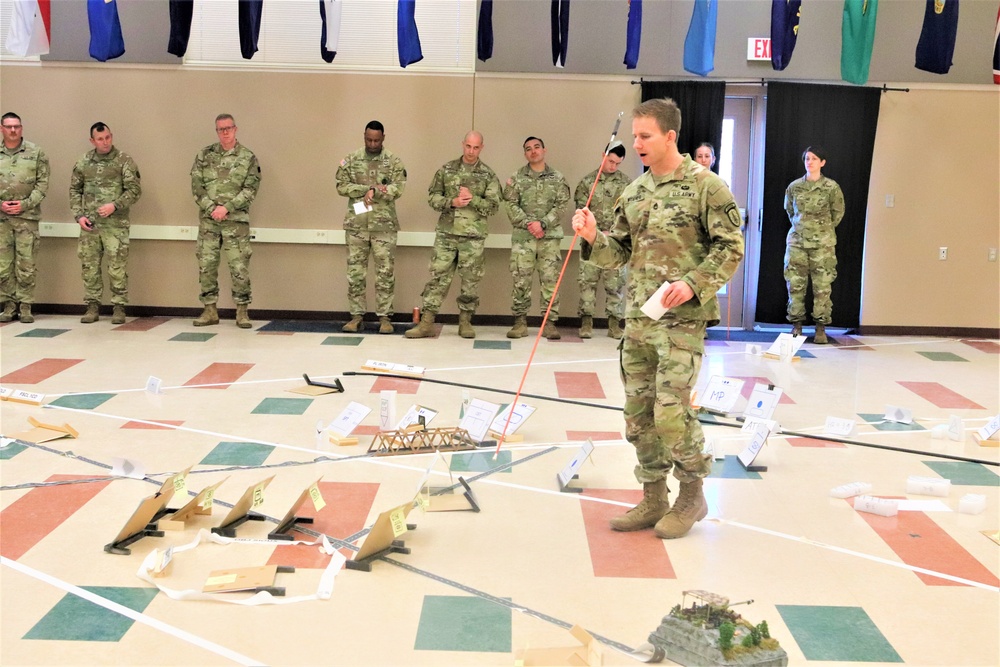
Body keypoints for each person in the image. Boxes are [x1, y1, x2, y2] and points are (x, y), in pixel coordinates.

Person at [571, 98, 744, 539]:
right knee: (638, 415)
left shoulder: (708, 187)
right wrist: (594, 236)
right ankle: (653, 497)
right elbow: (619, 254)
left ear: (670, 136)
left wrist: (694, 282)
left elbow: (731, 247)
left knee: (670, 413)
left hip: (682, 322)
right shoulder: (635, 192)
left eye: (645, 136)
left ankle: (691, 494)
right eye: (633, 136)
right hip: (639, 322)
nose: (637, 144)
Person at [405, 130, 501, 340]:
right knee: (438, 278)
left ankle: (465, 322)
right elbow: (432, 197)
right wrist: (452, 202)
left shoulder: (488, 175)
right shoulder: (446, 170)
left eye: (476, 147)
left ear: (481, 148)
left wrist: (473, 198)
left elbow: (493, 207)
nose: (471, 151)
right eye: (468, 146)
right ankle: (427, 322)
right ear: (462, 144)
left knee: (470, 281)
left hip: (473, 238)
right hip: (447, 235)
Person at [190, 113, 261, 328]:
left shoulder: (248, 158)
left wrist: (227, 208)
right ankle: (210, 310)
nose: (225, 132)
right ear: (217, 131)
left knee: (239, 268)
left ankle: (242, 312)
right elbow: (197, 187)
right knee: (206, 266)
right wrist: (213, 209)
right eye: (221, 129)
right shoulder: (204, 155)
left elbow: (251, 189)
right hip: (209, 223)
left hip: (235, 223)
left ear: (236, 129)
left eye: (228, 128)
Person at [336, 120, 406, 334]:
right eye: (369, 139)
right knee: (355, 273)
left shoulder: (393, 161)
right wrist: (366, 189)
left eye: (376, 140)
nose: (373, 143)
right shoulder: (351, 159)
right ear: (363, 137)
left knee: (385, 273)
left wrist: (377, 192)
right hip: (357, 224)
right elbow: (341, 185)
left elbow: (398, 187)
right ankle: (356, 316)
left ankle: (385, 318)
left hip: (383, 227)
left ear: (383, 137)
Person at [70, 122, 142, 324]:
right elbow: (75, 190)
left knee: (117, 267)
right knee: (89, 267)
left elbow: (134, 191)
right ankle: (92, 307)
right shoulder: (84, 161)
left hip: (115, 225)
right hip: (90, 226)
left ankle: (119, 307)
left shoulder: (123, 160)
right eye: (100, 139)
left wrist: (115, 205)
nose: (105, 142)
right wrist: (78, 216)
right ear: (92, 140)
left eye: (108, 137)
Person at [502, 136, 571, 340]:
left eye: (537, 147)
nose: (533, 151)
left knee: (550, 281)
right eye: (528, 149)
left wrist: (543, 224)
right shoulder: (516, 178)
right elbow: (510, 204)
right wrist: (529, 224)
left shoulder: (558, 178)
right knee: (521, 280)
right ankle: (520, 322)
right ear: (525, 154)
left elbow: (561, 206)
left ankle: (549, 323)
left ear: (544, 150)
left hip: (549, 239)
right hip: (523, 238)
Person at [783, 145, 844, 344]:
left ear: (822, 162)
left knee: (822, 286)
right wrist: (804, 228)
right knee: (795, 284)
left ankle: (820, 327)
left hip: (823, 244)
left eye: (814, 158)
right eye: (807, 158)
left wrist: (821, 231)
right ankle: (797, 325)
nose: (810, 162)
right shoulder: (794, 187)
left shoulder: (831, 188)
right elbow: (790, 211)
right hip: (797, 242)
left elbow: (837, 213)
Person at [573, 143, 630, 339]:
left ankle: (614, 323)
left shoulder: (626, 185)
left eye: (617, 163)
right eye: (610, 161)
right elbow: (581, 209)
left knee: (615, 284)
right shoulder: (589, 182)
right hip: (591, 239)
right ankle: (586, 321)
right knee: (587, 282)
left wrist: (610, 232)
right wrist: (595, 231)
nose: (613, 166)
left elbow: (628, 214)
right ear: (603, 156)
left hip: (614, 243)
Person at [0, 112, 49, 324]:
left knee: (26, 264)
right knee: (3, 265)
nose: (13, 130)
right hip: (1, 219)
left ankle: (26, 305)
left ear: (21, 128)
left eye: (17, 126)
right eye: (9, 126)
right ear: (1, 128)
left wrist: (25, 204)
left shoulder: (36, 152)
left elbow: (42, 184)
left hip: (27, 218)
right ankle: (9, 306)